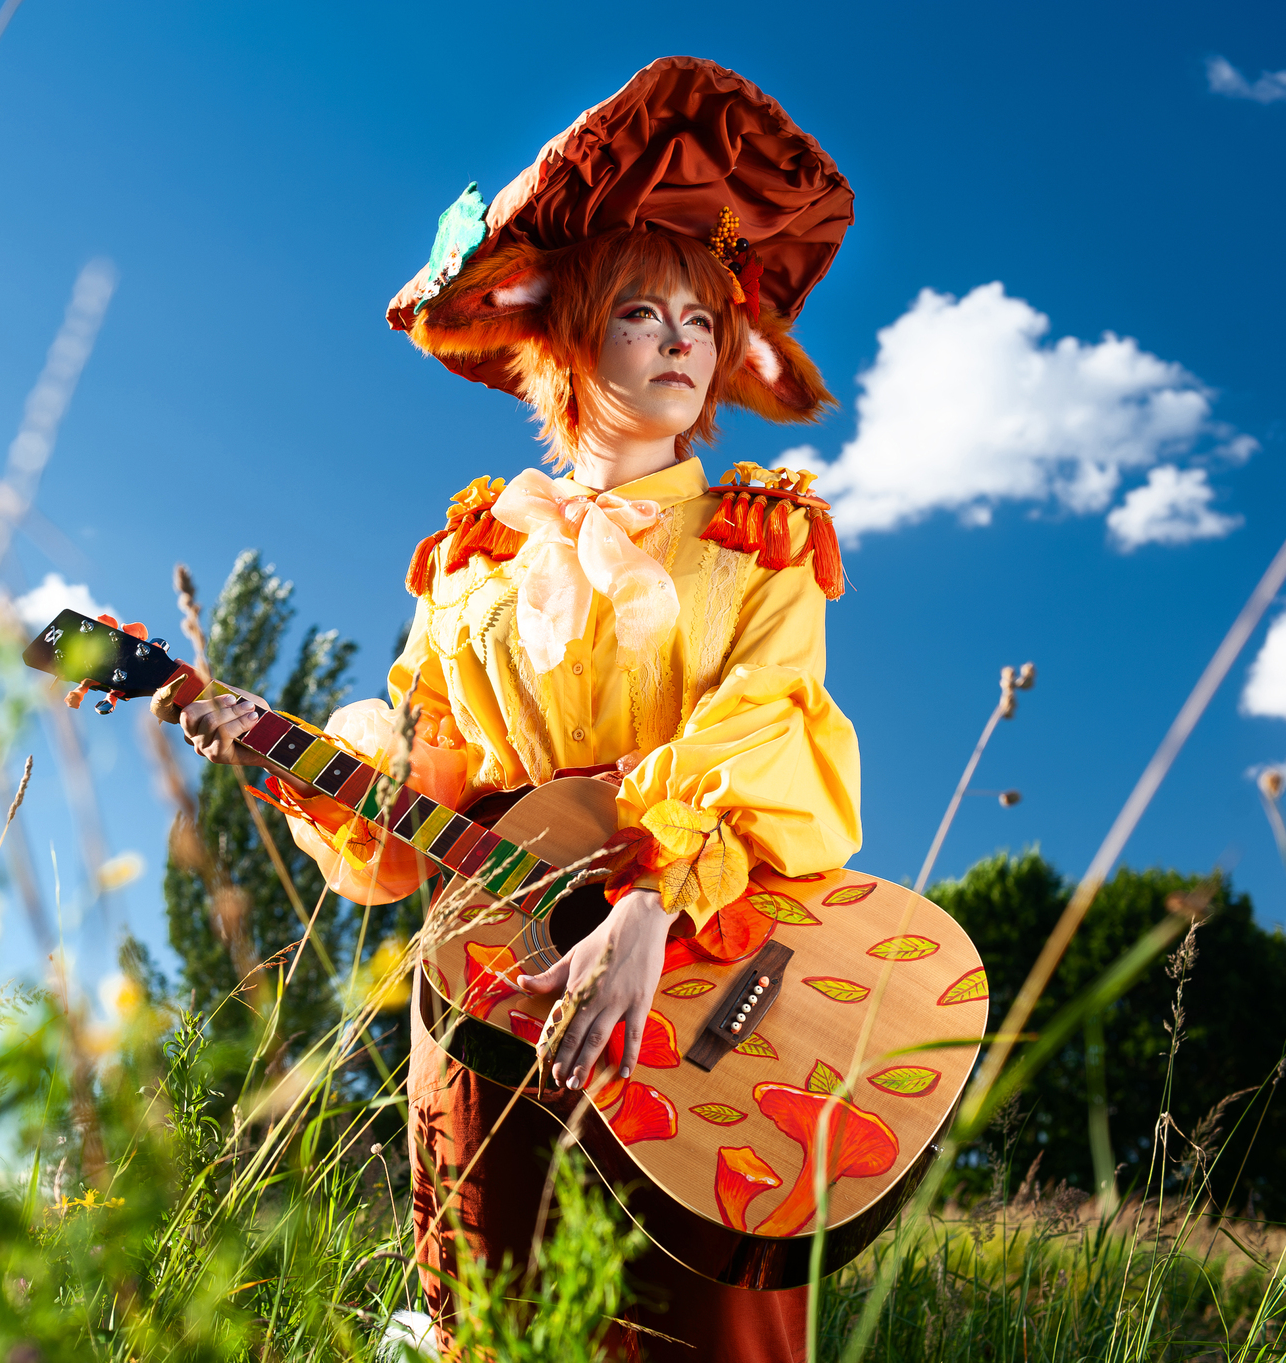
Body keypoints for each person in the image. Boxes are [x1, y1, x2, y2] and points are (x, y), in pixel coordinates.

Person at [179, 56, 863, 1361]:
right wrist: (294, 760)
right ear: (566, 332)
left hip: (704, 945)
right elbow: (417, 786)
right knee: (492, 1296)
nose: (677, 340)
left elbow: (773, 717)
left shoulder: (755, 540)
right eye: (640, 311)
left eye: (701, 319)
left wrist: (652, 897)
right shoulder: (478, 561)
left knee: (702, 1309)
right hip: (490, 956)